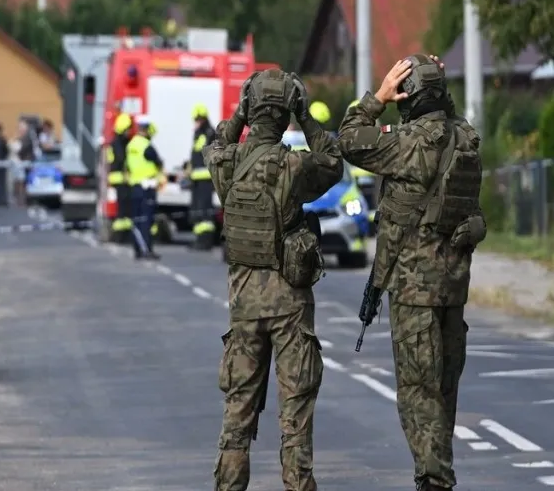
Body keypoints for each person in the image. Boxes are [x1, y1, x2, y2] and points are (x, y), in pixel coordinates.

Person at [337, 55, 486, 491]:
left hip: (413, 291)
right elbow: (449, 121)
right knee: (442, 392)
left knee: (418, 393)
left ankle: (435, 480)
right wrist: (436, 86)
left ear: (408, 97)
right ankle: (433, 474)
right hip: (453, 288)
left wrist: (378, 97)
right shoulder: (467, 139)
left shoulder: (405, 143)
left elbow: (347, 139)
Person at [204, 69, 343, 491]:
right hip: (290, 305)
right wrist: (306, 116)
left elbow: (216, 144)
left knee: (238, 410)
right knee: (295, 413)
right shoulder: (294, 165)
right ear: (286, 116)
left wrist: (239, 113)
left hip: (244, 304)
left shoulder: (226, 163)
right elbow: (333, 162)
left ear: (250, 113)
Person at [125, 115, 163, 260]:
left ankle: (138, 249)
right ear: (146, 129)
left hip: (135, 186)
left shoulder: (131, 145)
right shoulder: (146, 146)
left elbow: (128, 166)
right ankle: (147, 249)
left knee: (136, 219)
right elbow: (158, 161)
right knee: (147, 220)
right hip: (147, 187)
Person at [188, 103, 217, 249]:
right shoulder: (198, 133)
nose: (196, 121)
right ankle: (199, 239)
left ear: (203, 118)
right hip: (196, 179)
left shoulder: (210, 133)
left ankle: (206, 240)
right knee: (197, 210)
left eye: (198, 119)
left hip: (205, 178)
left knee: (205, 211)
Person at [107, 113, 134, 240]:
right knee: (123, 209)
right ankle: (120, 235)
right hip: (120, 179)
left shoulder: (116, 142)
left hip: (119, 178)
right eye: (128, 129)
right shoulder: (119, 144)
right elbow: (121, 159)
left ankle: (123, 233)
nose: (129, 132)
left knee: (125, 209)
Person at [14, 119, 34, 206]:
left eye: (20, 128)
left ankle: (25, 200)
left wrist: (17, 153)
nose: (19, 130)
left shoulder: (26, 137)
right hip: (23, 162)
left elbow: (23, 149)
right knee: (22, 181)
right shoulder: (24, 137)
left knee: (24, 182)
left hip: (26, 162)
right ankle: (23, 200)